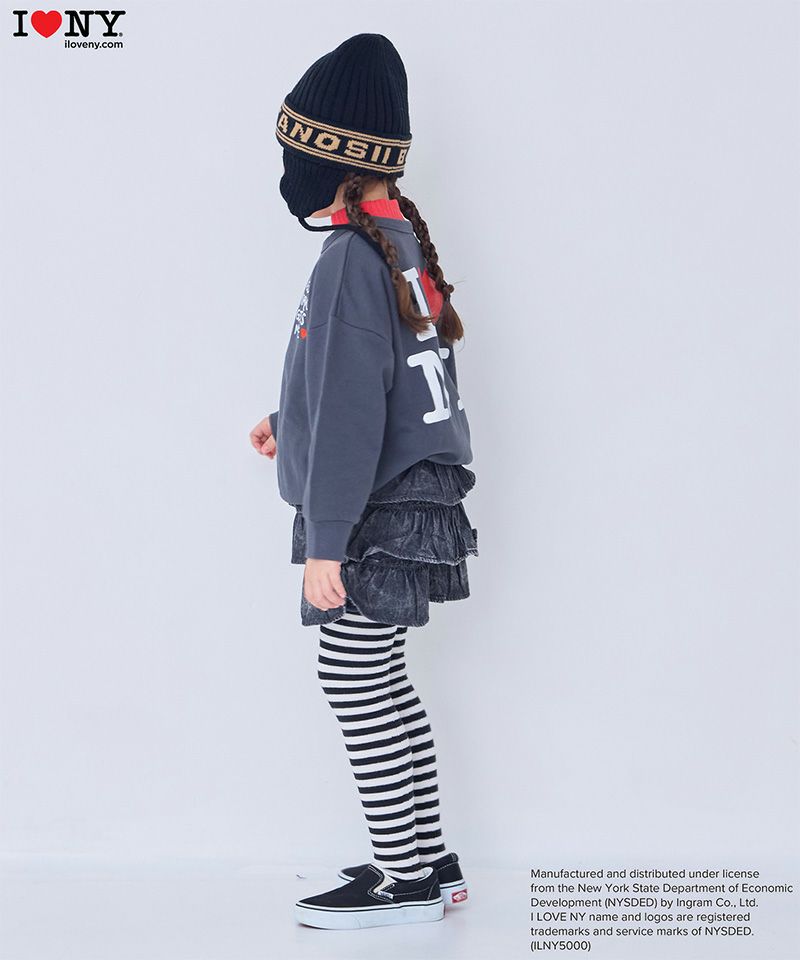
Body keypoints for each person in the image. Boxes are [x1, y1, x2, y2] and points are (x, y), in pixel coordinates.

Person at [249, 33, 478, 930]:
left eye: (295, 156)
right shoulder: (396, 241)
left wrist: (328, 542)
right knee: (381, 678)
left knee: (352, 679)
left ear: (332, 163)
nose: (288, 174)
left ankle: (403, 879)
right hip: (415, 497)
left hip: (372, 509)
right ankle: (428, 860)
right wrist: (290, 417)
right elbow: (371, 382)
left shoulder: (349, 257)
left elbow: (352, 410)